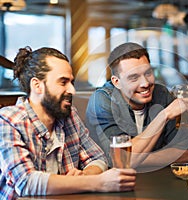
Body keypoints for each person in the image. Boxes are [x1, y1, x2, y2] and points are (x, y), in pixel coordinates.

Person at [0, 46, 136, 199]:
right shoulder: (8, 121)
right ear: (37, 85)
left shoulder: (69, 115)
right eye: (63, 82)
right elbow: (26, 182)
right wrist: (98, 182)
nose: (72, 90)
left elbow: (98, 158)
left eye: (71, 82)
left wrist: (85, 174)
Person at [85, 42, 188, 170]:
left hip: (154, 182)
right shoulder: (102, 100)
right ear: (117, 82)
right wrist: (163, 116)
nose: (145, 83)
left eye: (148, 73)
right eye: (134, 78)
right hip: (111, 184)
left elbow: (187, 153)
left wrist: (136, 157)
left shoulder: (161, 94)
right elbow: (122, 161)